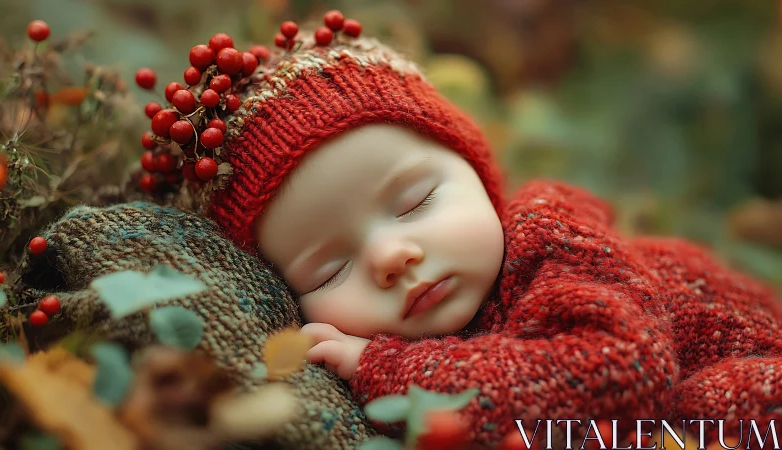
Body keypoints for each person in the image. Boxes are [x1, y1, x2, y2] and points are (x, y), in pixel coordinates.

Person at [178, 11, 782, 446]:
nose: (392, 254)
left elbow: (617, 375)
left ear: (481, 177)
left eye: (415, 202)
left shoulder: (552, 242)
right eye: (329, 268)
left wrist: (384, 368)